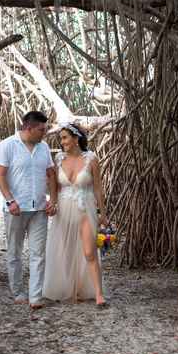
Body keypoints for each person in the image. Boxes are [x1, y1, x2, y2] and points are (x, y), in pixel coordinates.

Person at [0, 111, 58, 309]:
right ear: (28, 128)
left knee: (38, 253)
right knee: (15, 252)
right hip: (16, 209)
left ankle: (35, 296)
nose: (44, 133)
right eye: (41, 129)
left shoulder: (44, 147)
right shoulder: (7, 146)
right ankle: (18, 292)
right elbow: (0, 176)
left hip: (39, 208)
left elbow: (51, 175)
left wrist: (53, 200)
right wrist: (10, 201)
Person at [43, 123, 108, 306]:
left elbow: (98, 189)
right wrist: (53, 204)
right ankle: (73, 289)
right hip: (63, 208)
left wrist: (103, 214)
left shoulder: (91, 159)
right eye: (61, 138)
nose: (62, 141)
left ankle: (98, 294)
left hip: (85, 207)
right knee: (67, 250)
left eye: (65, 137)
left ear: (76, 138)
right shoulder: (58, 159)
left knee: (89, 251)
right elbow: (54, 187)